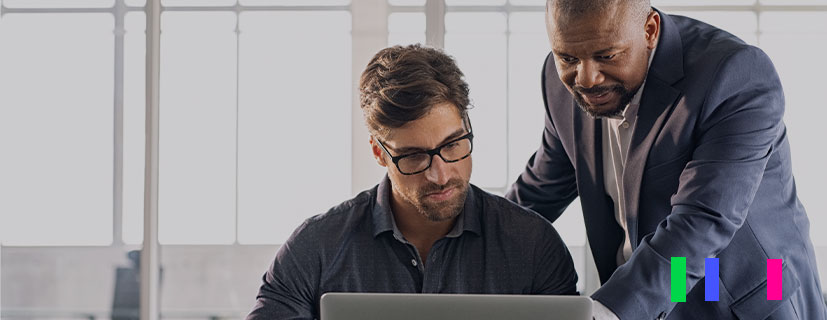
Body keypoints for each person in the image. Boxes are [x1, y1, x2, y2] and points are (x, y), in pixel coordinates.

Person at [506, 0, 826, 319]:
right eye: (568, 57)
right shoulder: (561, 82)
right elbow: (539, 191)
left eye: (606, 56)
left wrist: (610, 309)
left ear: (649, 31)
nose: (587, 78)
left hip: (744, 298)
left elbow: (702, 220)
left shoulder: (735, 75)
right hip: (644, 303)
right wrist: (468, 234)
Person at [246, 44, 578, 320]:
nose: (441, 174)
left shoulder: (535, 246)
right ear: (379, 152)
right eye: (414, 156)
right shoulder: (315, 249)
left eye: (452, 145)